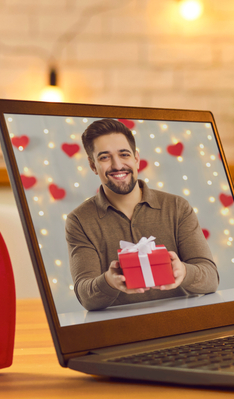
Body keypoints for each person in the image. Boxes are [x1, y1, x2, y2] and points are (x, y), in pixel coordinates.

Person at [65, 119, 218, 310]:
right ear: (93, 165)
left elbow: (211, 278)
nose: (117, 165)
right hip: (119, 330)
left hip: (181, 323)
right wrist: (109, 281)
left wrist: (184, 271)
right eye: (104, 157)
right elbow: (85, 296)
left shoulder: (177, 207)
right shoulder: (79, 220)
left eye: (124, 154)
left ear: (136, 158)